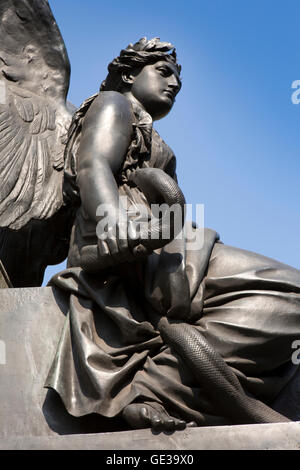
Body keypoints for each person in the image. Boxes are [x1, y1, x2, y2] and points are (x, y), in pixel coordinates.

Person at [45, 38, 300, 431]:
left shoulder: (150, 131)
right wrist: (112, 220)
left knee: (287, 300)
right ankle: (160, 386)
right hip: (129, 243)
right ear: (129, 74)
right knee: (289, 294)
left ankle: (161, 384)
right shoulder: (112, 103)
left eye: (178, 78)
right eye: (163, 71)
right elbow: (94, 162)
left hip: (169, 243)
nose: (175, 83)